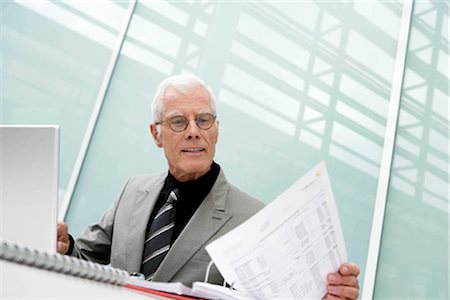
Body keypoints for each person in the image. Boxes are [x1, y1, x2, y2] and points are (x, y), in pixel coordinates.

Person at [57, 74, 360, 299]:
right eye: (178, 122)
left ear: (216, 131)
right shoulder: (132, 191)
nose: (193, 132)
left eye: (203, 120)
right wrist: (64, 246)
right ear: (156, 134)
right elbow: (84, 260)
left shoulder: (256, 219)